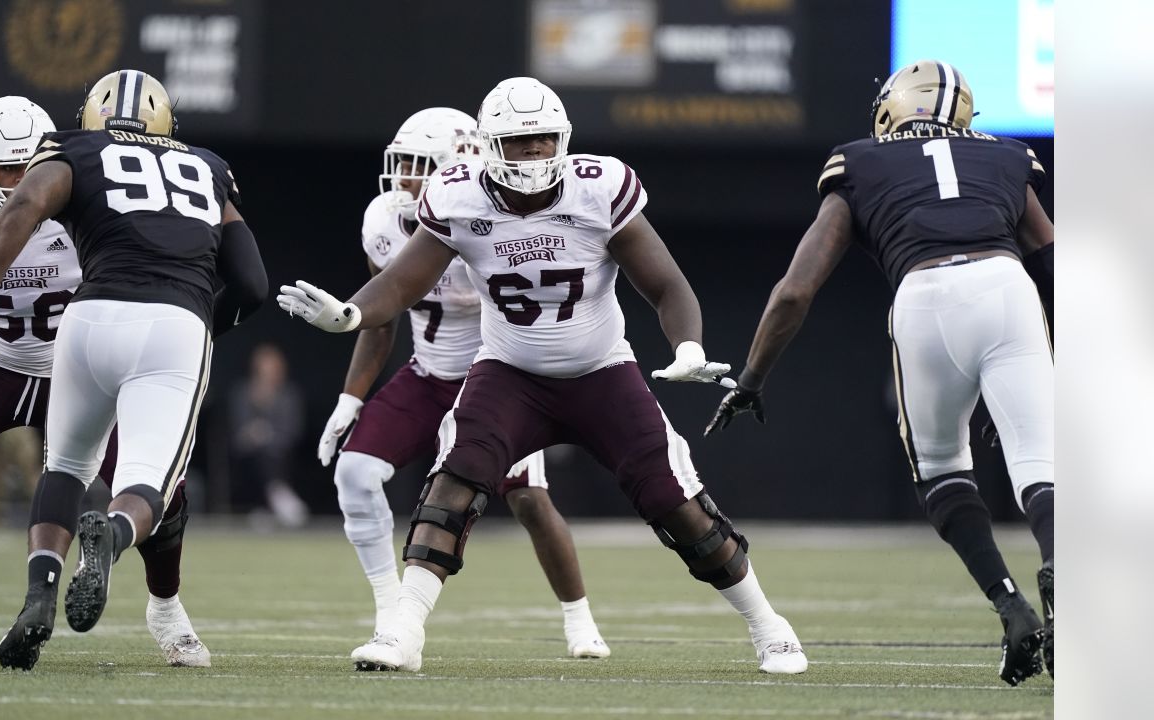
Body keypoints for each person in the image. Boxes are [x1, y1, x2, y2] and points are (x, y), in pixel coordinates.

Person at [279, 77, 806, 674]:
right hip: (511, 372)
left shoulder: (598, 188)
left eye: (543, 140)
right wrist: (351, 314)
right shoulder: (458, 196)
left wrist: (688, 345)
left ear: (563, 139)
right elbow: (403, 283)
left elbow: (666, 284)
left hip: (601, 370)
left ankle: (769, 625)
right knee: (454, 481)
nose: (533, 153)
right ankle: (403, 631)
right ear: (488, 146)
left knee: (675, 501)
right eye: (519, 141)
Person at [704, 60, 1054, 686]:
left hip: (924, 296)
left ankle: (1010, 605)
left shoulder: (860, 160)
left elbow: (794, 292)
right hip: (1009, 288)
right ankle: (1059, 562)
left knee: (944, 470)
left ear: (894, 107)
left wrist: (751, 379)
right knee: (1040, 463)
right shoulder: (1007, 155)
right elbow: (1053, 261)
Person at [0, 71, 268, 667]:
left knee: (75, 471)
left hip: (77, 343)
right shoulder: (204, 164)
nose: (12, 183)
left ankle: (162, 607)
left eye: (20, 168)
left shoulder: (74, 159)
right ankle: (106, 540)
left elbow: (32, 198)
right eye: (0, 170)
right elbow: (251, 281)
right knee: (149, 485)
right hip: (1, 360)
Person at [319, 106, 609, 659]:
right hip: (426, 374)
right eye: (400, 162)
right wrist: (349, 398)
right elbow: (382, 316)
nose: (403, 177)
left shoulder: (489, 220)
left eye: (417, 164)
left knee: (528, 500)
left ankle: (579, 617)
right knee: (355, 473)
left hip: (494, 380)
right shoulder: (382, 221)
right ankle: (390, 614)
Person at [228, 342, 309, 527]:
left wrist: (268, 435)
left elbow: (293, 430)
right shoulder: (242, 393)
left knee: (268, 454)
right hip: (247, 452)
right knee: (259, 453)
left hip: (281, 451)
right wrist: (253, 433)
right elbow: (237, 430)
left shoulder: (289, 395)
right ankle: (278, 496)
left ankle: (270, 501)